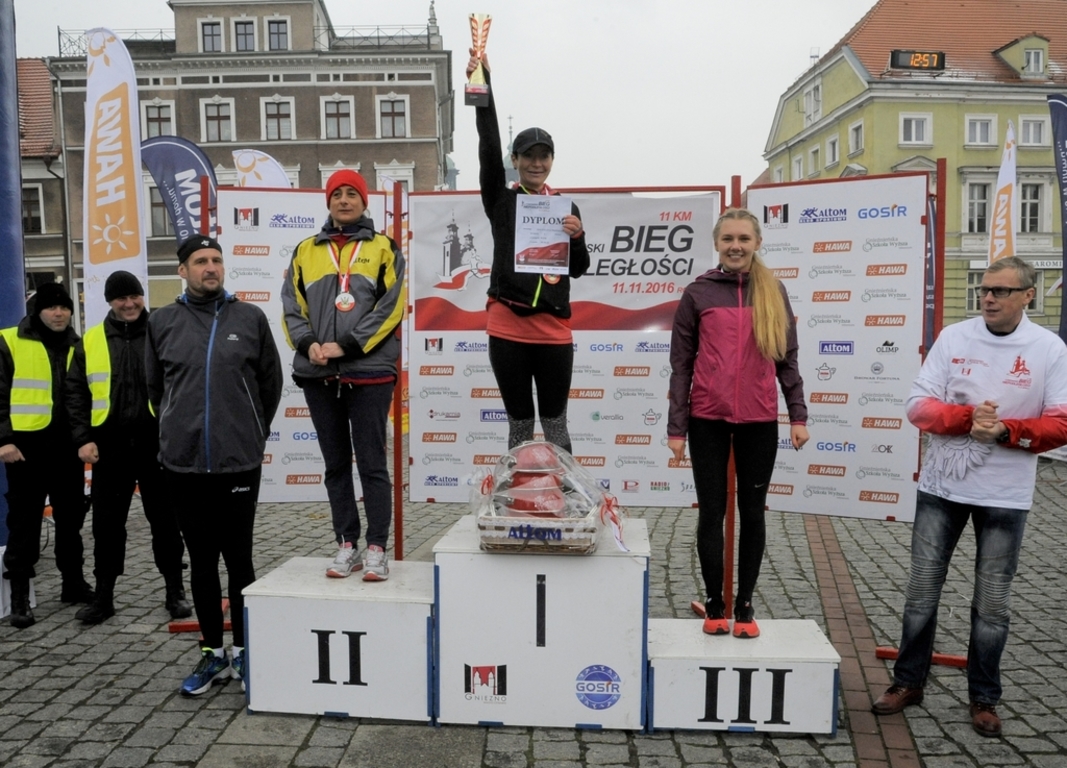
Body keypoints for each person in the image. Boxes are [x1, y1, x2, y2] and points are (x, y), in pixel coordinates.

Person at [872, 257, 1067, 737]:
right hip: (942, 487)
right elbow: (917, 406)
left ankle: (984, 696)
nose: (989, 298)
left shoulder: (1049, 348)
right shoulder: (955, 337)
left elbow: (1061, 423)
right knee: (922, 591)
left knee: (992, 602)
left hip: (1005, 494)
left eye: (1001, 291)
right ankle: (908, 681)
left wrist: (1004, 430)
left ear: (1028, 295)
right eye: (984, 289)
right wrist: (967, 419)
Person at [147, 235, 282, 696]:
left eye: (217, 260)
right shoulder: (162, 321)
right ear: (182, 270)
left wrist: (250, 431)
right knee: (202, 563)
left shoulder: (249, 318)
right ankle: (211, 653)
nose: (211, 267)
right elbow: (155, 388)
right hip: (183, 465)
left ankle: (243, 652)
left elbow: (269, 384)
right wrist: (177, 428)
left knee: (239, 559)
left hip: (237, 463)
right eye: (201, 261)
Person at [667, 208, 809, 639]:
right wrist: (676, 429)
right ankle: (715, 605)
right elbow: (681, 365)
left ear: (757, 243)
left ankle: (745, 606)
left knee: (752, 513)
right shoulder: (698, 293)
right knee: (712, 514)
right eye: (728, 238)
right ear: (716, 243)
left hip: (759, 419)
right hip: (706, 419)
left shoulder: (773, 291)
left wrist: (797, 415)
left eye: (744, 239)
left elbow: (787, 359)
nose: (736, 246)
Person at [281, 169, 405, 581]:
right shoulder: (305, 250)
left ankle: (376, 548)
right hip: (318, 373)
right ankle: (346, 544)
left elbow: (392, 307)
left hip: (368, 371)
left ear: (364, 201)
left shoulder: (384, 247)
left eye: (352, 193)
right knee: (335, 465)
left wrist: (347, 345)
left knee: (372, 464)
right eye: (337, 194)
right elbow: (291, 306)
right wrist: (308, 344)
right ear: (328, 202)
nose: (345, 200)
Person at [467, 50, 590, 454]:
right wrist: (483, 86)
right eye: (529, 156)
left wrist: (576, 238)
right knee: (520, 425)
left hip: (554, 330)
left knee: (555, 425)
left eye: (544, 156)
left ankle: (565, 492)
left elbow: (579, 269)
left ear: (551, 160)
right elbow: (488, 146)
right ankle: (514, 491)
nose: (537, 163)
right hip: (508, 328)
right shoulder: (501, 200)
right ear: (515, 160)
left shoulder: (565, 207)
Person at [65, 271, 191, 624]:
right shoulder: (90, 340)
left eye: (134, 296)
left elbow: (182, 385)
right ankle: (103, 597)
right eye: (121, 298)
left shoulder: (161, 332)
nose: (129, 303)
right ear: (110, 301)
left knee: (166, 523)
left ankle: (175, 591)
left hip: (157, 445)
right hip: (110, 447)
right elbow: (75, 393)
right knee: (106, 527)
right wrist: (83, 438)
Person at [1, 282, 94, 628]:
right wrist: (3, 440)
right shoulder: (10, 340)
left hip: (68, 447)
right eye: (52, 307)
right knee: (24, 523)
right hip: (25, 449)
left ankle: (73, 583)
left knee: (71, 521)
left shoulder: (78, 345)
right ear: (37, 310)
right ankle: (19, 598)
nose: (59, 313)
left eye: (64, 307)